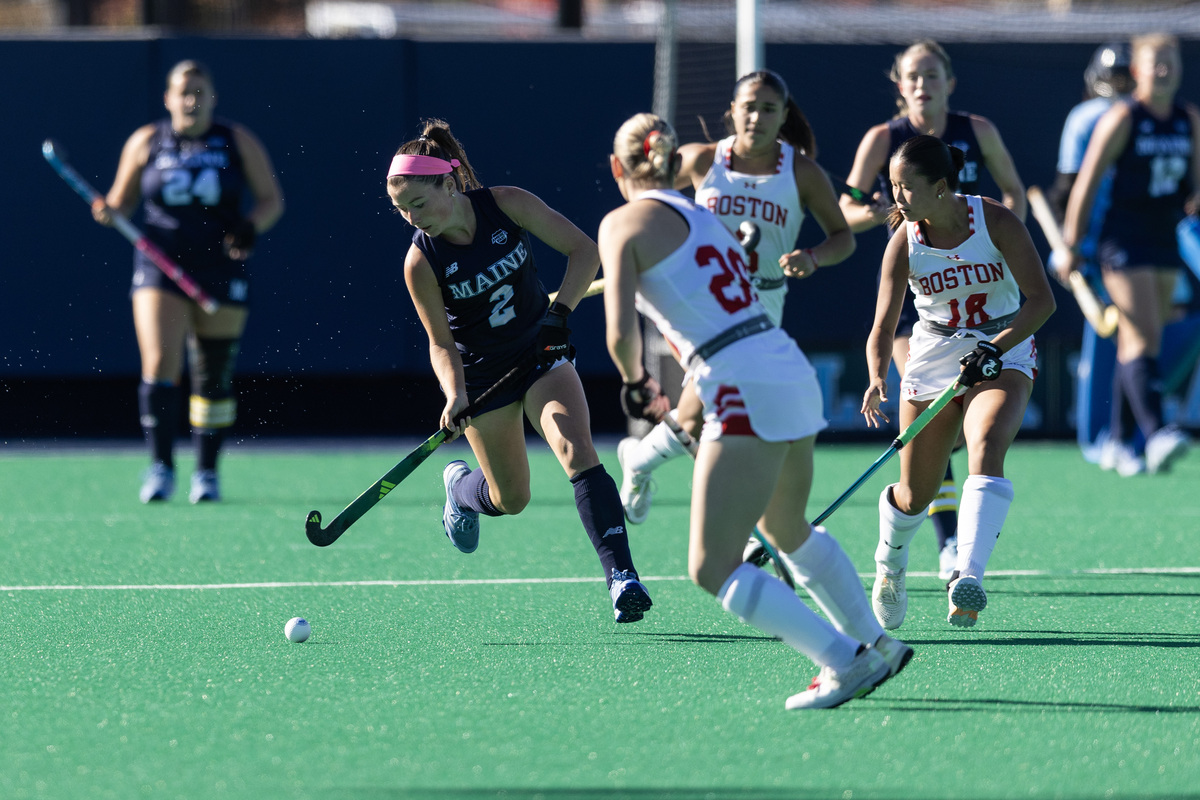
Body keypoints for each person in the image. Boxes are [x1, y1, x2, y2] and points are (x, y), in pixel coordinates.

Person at [601, 112, 911, 709]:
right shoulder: (704, 217)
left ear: (619, 167)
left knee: (711, 566)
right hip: (786, 365)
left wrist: (635, 382)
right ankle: (877, 642)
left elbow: (619, 333)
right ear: (672, 163)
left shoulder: (622, 223)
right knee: (785, 527)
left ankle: (845, 660)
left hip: (739, 379)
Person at [386, 119, 652, 624]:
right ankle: (462, 491)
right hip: (485, 377)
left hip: (539, 352)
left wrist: (559, 316)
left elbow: (584, 252)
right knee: (512, 498)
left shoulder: (507, 203)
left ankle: (623, 578)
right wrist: (454, 393)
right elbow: (440, 342)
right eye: (401, 210)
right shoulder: (420, 261)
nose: (412, 218)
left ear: (451, 182)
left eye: (419, 204)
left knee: (577, 451)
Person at [615, 69, 855, 529]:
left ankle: (639, 462)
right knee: (710, 412)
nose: (757, 117)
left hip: (762, 305)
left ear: (783, 115)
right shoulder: (704, 160)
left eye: (769, 109)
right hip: (703, 305)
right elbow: (645, 198)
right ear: (732, 111)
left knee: (695, 420)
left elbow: (842, 236)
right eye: (749, 106)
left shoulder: (801, 172)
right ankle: (754, 529)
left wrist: (814, 256)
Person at [840, 40, 1028, 580]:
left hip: (987, 301)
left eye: (932, 75)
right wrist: (874, 210)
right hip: (922, 306)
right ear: (899, 85)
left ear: (950, 81)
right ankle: (932, 540)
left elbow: (1013, 192)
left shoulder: (979, 132)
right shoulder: (884, 140)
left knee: (980, 435)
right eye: (912, 76)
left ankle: (960, 558)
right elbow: (847, 206)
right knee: (933, 422)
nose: (923, 84)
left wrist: (1000, 244)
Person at [862, 135, 1055, 630]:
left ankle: (966, 575)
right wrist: (875, 376)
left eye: (906, 188)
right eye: (893, 187)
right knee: (915, 495)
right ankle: (890, 563)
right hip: (934, 353)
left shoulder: (995, 221)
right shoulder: (903, 242)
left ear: (942, 187)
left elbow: (1041, 301)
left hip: (1003, 343)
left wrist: (992, 347)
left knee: (986, 444)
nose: (896, 198)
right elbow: (883, 327)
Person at [92, 60, 284, 504]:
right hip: (160, 267)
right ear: (168, 98)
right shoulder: (146, 140)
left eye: (200, 92)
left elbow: (272, 200)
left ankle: (207, 473)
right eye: (184, 92)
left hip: (220, 267)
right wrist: (107, 211)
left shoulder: (237, 141)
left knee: (212, 374)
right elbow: (119, 203)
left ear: (212, 98)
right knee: (160, 364)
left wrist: (250, 227)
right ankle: (160, 468)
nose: (192, 100)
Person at [1061, 33, 1199, 476]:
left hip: (1164, 241)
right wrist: (1070, 245)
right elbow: (1085, 183)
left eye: (1170, 63)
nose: (1163, 71)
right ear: (1136, 71)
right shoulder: (1122, 117)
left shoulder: (1188, 119)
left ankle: (1119, 442)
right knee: (1141, 335)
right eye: (1154, 63)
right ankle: (1157, 432)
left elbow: (1194, 186)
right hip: (1123, 241)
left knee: (1142, 341)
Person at [1047, 42, 1140, 472]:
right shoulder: (1109, 117)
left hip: (1113, 244)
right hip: (1113, 247)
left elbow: (1066, 187)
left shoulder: (1091, 116)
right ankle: (1110, 436)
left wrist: (1069, 245)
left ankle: (1124, 433)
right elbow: (1072, 187)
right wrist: (1072, 246)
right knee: (1115, 335)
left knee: (1128, 336)